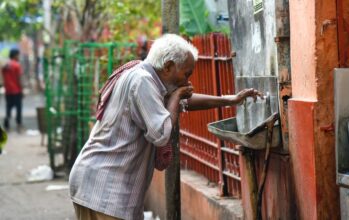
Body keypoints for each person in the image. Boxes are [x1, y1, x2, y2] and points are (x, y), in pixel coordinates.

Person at [69, 34, 261, 220]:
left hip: (98, 185)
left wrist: (230, 100)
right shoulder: (142, 80)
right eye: (186, 73)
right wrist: (177, 96)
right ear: (168, 66)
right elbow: (160, 133)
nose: (187, 81)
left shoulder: (148, 78)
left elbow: (186, 102)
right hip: (105, 189)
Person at [2, 49, 23, 132]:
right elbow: (19, 79)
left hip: (8, 91)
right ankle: (19, 124)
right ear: (14, 55)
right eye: (18, 55)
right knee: (18, 108)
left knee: (8, 107)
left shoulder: (5, 66)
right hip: (16, 90)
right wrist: (21, 89)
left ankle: (6, 124)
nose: (19, 57)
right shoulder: (17, 65)